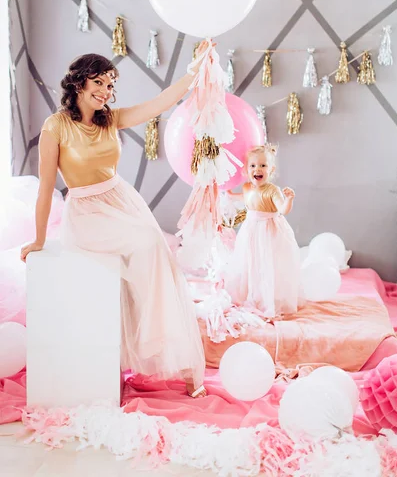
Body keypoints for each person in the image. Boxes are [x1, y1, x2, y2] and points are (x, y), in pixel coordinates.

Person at [21, 44, 209, 398]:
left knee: (158, 256)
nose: (106, 92)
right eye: (99, 83)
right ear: (78, 84)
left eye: (110, 85)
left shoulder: (112, 118)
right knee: (147, 246)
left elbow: (160, 102)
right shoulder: (55, 126)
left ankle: (176, 355)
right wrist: (39, 239)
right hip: (86, 211)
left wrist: (195, 69)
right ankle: (151, 338)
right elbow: (46, 188)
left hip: (121, 200)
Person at [224, 144, 300, 318]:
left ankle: (268, 297)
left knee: (267, 262)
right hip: (250, 229)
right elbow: (245, 199)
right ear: (246, 169)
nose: (257, 169)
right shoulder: (247, 188)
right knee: (249, 260)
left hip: (268, 230)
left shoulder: (273, 191)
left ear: (271, 170)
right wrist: (228, 192)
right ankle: (250, 294)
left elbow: (282, 209)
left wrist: (288, 199)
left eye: (263, 166)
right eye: (252, 166)